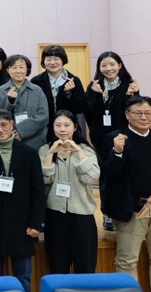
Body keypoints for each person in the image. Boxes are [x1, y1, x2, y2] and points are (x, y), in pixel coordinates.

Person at [102, 96, 151, 287]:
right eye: (138, 113)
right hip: (132, 211)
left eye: (148, 113)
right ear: (127, 115)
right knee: (127, 262)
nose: (144, 117)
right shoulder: (114, 138)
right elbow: (110, 174)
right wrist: (117, 152)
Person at [0, 109, 45, 292]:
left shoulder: (29, 153)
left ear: (12, 125)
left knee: (23, 278)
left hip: (22, 225)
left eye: (4, 124)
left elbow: (38, 191)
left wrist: (36, 223)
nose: (0, 129)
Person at [38, 110, 100, 274]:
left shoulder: (86, 150)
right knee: (58, 268)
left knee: (85, 268)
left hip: (82, 216)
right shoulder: (45, 150)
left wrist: (78, 152)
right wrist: (50, 154)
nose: (62, 129)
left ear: (75, 127)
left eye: (67, 125)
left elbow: (92, 178)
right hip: (55, 216)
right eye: (58, 125)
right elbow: (44, 181)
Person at [85, 51, 139, 231]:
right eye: (104, 65)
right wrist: (96, 95)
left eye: (112, 64)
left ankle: (125, 211)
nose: (108, 68)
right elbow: (89, 114)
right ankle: (107, 212)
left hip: (122, 137)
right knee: (106, 176)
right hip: (101, 139)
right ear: (99, 68)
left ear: (120, 65)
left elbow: (133, 112)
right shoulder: (94, 85)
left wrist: (131, 95)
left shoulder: (129, 85)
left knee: (123, 174)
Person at [30, 44, 89, 142]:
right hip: (44, 129)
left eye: (56, 59)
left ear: (63, 60)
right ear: (43, 61)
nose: (52, 62)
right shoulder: (36, 81)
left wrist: (68, 93)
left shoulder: (74, 80)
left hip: (67, 130)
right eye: (48, 59)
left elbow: (80, 108)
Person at [0, 54, 49, 150]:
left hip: (35, 141)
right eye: (14, 67)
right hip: (9, 140)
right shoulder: (1, 90)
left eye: (21, 67)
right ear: (7, 70)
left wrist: (21, 130)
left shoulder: (37, 90)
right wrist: (9, 100)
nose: (18, 71)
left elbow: (43, 116)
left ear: (27, 69)